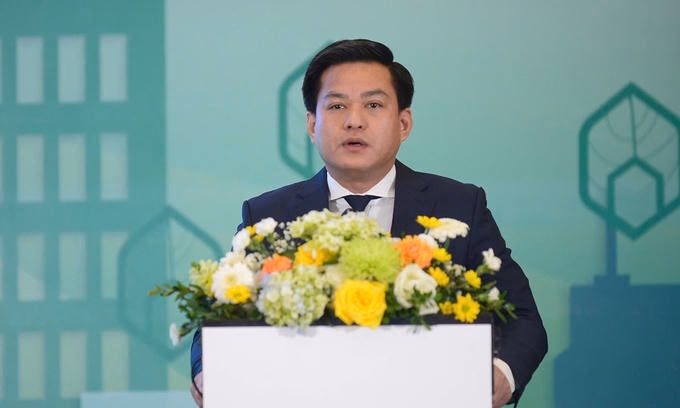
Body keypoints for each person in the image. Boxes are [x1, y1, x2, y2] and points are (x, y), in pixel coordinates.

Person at [190, 39, 548, 407]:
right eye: (337, 106)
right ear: (312, 124)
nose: (354, 120)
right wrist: (209, 371)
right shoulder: (268, 215)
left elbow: (522, 317)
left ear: (403, 123)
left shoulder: (458, 206)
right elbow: (220, 319)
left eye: (373, 105)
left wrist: (500, 375)